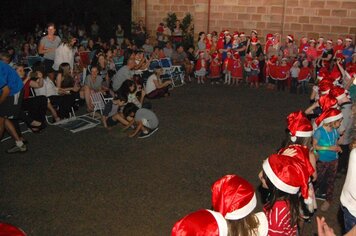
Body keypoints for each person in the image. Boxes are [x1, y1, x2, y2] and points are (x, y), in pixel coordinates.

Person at [259, 152, 310, 235]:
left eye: (264, 177)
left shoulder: (276, 215)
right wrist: (281, 159)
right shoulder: (288, 196)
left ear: (274, 186)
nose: (260, 175)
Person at [313, 108, 343, 211]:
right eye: (339, 121)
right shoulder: (319, 132)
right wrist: (329, 148)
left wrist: (337, 147)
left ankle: (328, 200)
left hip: (334, 160)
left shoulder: (335, 130)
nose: (340, 123)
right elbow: (315, 146)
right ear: (332, 121)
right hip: (322, 160)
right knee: (317, 179)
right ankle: (310, 197)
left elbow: (335, 142)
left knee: (331, 180)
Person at [0, 61, 27, 153]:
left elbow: (6, 90)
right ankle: (20, 144)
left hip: (13, 91)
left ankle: (20, 143)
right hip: (9, 90)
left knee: (1, 119)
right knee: (4, 118)